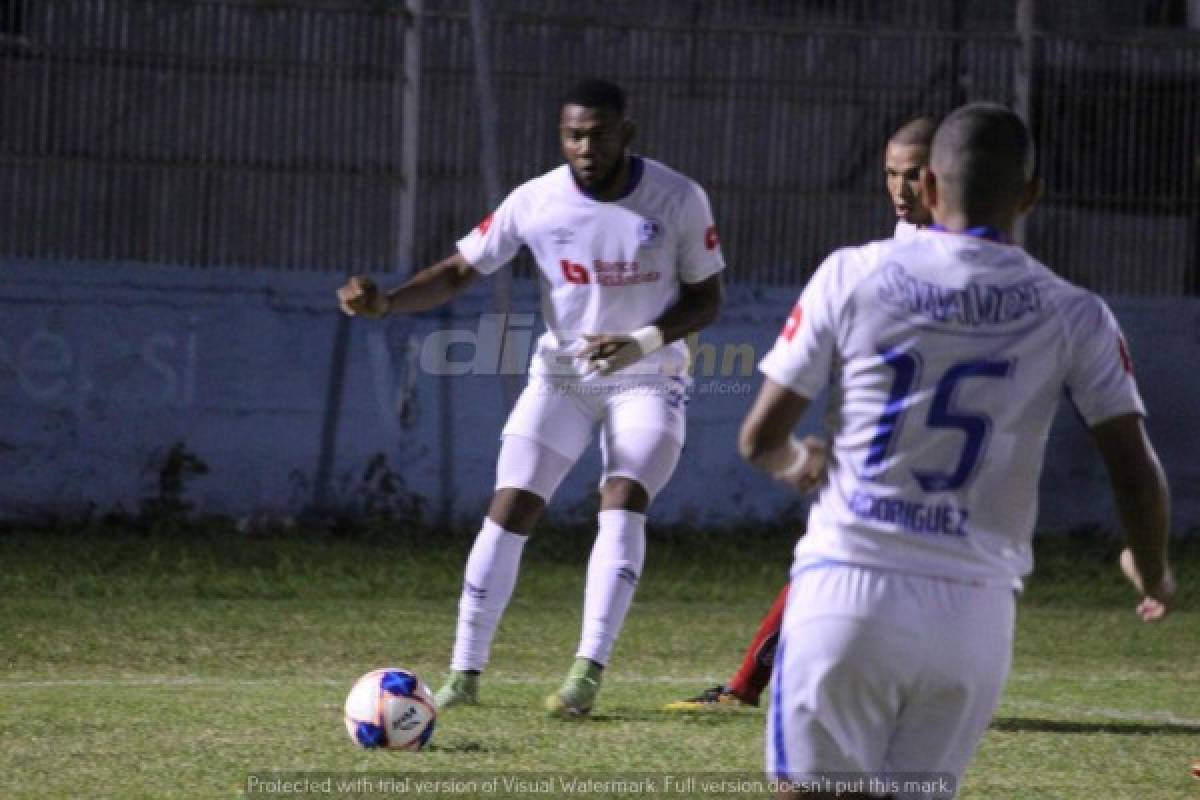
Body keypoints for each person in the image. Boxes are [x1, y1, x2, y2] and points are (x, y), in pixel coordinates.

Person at [744, 103, 1174, 799]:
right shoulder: (1076, 312)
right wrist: (1153, 572)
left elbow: (760, 438)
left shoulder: (851, 272)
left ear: (931, 188)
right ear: (1030, 194)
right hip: (973, 614)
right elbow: (1134, 471)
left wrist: (800, 465)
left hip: (849, 587)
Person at [337, 78, 725, 718]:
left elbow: (708, 299)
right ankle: (463, 675)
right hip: (563, 375)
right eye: (573, 134)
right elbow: (463, 268)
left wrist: (641, 341)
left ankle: (586, 672)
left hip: (649, 374)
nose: (585, 146)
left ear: (627, 134)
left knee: (623, 496)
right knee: (511, 503)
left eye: (598, 133)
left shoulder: (678, 197)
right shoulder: (537, 200)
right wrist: (388, 303)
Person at [665, 116, 937, 712]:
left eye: (913, 173)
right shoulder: (912, 247)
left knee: (842, 567)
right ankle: (749, 686)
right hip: (886, 448)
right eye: (891, 173)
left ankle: (755, 689)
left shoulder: (934, 257)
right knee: (838, 563)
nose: (900, 187)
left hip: (918, 455)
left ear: (948, 172)